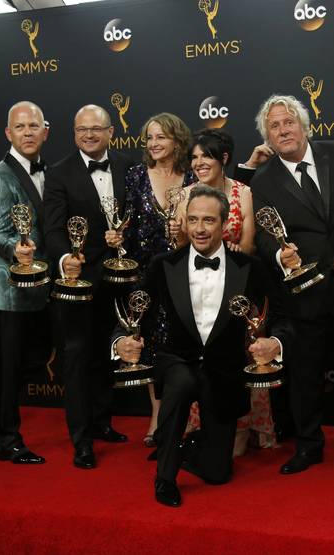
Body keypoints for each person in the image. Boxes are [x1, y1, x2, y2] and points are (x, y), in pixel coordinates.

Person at [113, 185, 292, 507]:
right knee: (180, 384)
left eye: (208, 220)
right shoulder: (163, 265)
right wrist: (121, 341)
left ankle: (188, 446)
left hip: (223, 369)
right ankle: (165, 478)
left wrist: (273, 342)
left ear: (224, 224)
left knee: (218, 474)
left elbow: (281, 314)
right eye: (192, 220)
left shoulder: (248, 267)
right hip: (176, 359)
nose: (198, 228)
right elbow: (132, 312)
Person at [249, 94, 334, 474]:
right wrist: (279, 256)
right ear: (268, 137)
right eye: (274, 126)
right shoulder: (264, 179)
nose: (283, 130)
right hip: (303, 291)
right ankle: (308, 444)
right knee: (304, 373)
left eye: (288, 122)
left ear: (304, 125)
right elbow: (264, 235)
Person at [43, 104, 132, 469]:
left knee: (106, 353)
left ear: (111, 131)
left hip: (120, 278)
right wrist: (66, 260)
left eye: (97, 129)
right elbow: (52, 227)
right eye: (82, 130)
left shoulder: (129, 166)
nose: (90, 135)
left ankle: (101, 422)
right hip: (78, 281)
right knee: (78, 358)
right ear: (74, 133)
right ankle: (82, 440)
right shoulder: (59, 171)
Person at [180, 128, 272, 454]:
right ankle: (202, 426)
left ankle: (242, 428)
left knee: (243, 357)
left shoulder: (241, 192)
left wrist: (216, 248)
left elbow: (247, 245)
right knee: (204, 361)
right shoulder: (185, 194)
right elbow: (179, 244)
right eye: (194, 157)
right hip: (198, 290)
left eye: (206, 155)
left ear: (224, 159)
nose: (199, 162)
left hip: (238, 288)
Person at [0, 101, 52, 464]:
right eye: (20, 127)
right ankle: (8, 441)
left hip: (35, 289)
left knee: (27, 362)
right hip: (5, 290)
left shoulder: (46, 171)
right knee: (7, 370)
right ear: (8, 134)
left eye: (33, 126)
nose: (27, 133)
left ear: (45, 131)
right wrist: (16, 250)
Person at [121, 112, 195, 447]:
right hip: (146, 275)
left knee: (186, 345)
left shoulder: (194, 174)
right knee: (152, 346)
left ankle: (189, 419)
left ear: (177, 140)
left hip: (185, 273)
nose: (154, 144)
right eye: (149, 138)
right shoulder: (136, 176)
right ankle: (156, 418)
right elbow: (126, 224)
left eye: (161, 137)